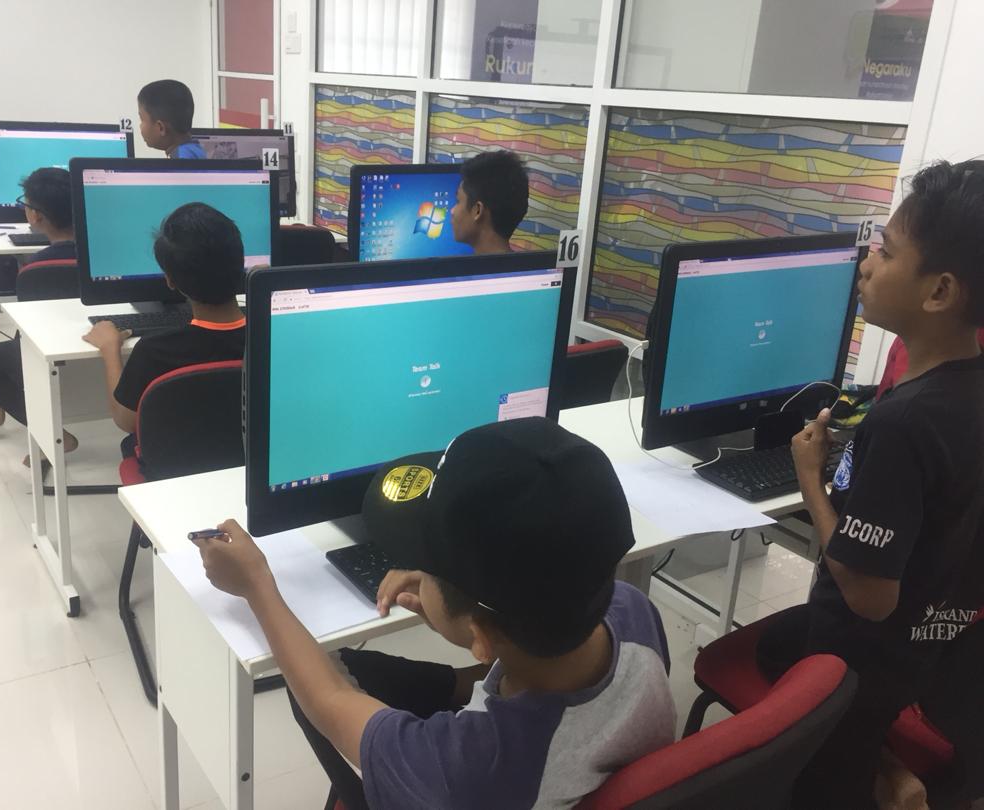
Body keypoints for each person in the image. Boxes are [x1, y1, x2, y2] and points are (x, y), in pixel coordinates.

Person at [193, 418, 677, 810]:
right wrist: (456, 608)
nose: (416, 572)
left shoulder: (460, 768)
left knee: (319, 686)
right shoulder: (631, 609)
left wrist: (256, 585)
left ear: (482, 636)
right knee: (367, 667)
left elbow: (328, 698)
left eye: (426, 567)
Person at [758, 159, 984, 809]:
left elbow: (868, 596)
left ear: (939, 292)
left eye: (885, 252)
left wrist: (811, 480)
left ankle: (876, 779)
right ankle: (891, 770)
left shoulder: (904, 421)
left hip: (860, 662)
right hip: (930, 646)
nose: (865, 264)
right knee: (774, 645)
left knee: (827, 783)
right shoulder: (964, 389)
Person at [83, 203, 245, 458]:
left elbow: (127, 421)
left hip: (175, 470)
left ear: (170, 280)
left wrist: (110, 349)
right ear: (241, 264)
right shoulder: (273, 337)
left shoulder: (154, 351)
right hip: (251, 463)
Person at [0, 167, 81, 459]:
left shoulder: (34, 270)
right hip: (95, 355)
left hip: (52, 362)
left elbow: (33, 333)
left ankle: (54, 435)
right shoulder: (105, 258)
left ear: (35, 216)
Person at [450, 150, 530, 254]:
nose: (452, 211)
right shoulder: (528, 264)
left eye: (458, 201)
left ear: (478, 210)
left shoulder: (464, 266)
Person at [137, 79, 205, 159]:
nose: (140, 126)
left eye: (142, 120)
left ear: (161, 128)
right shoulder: (194, 149)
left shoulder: (181, 159)